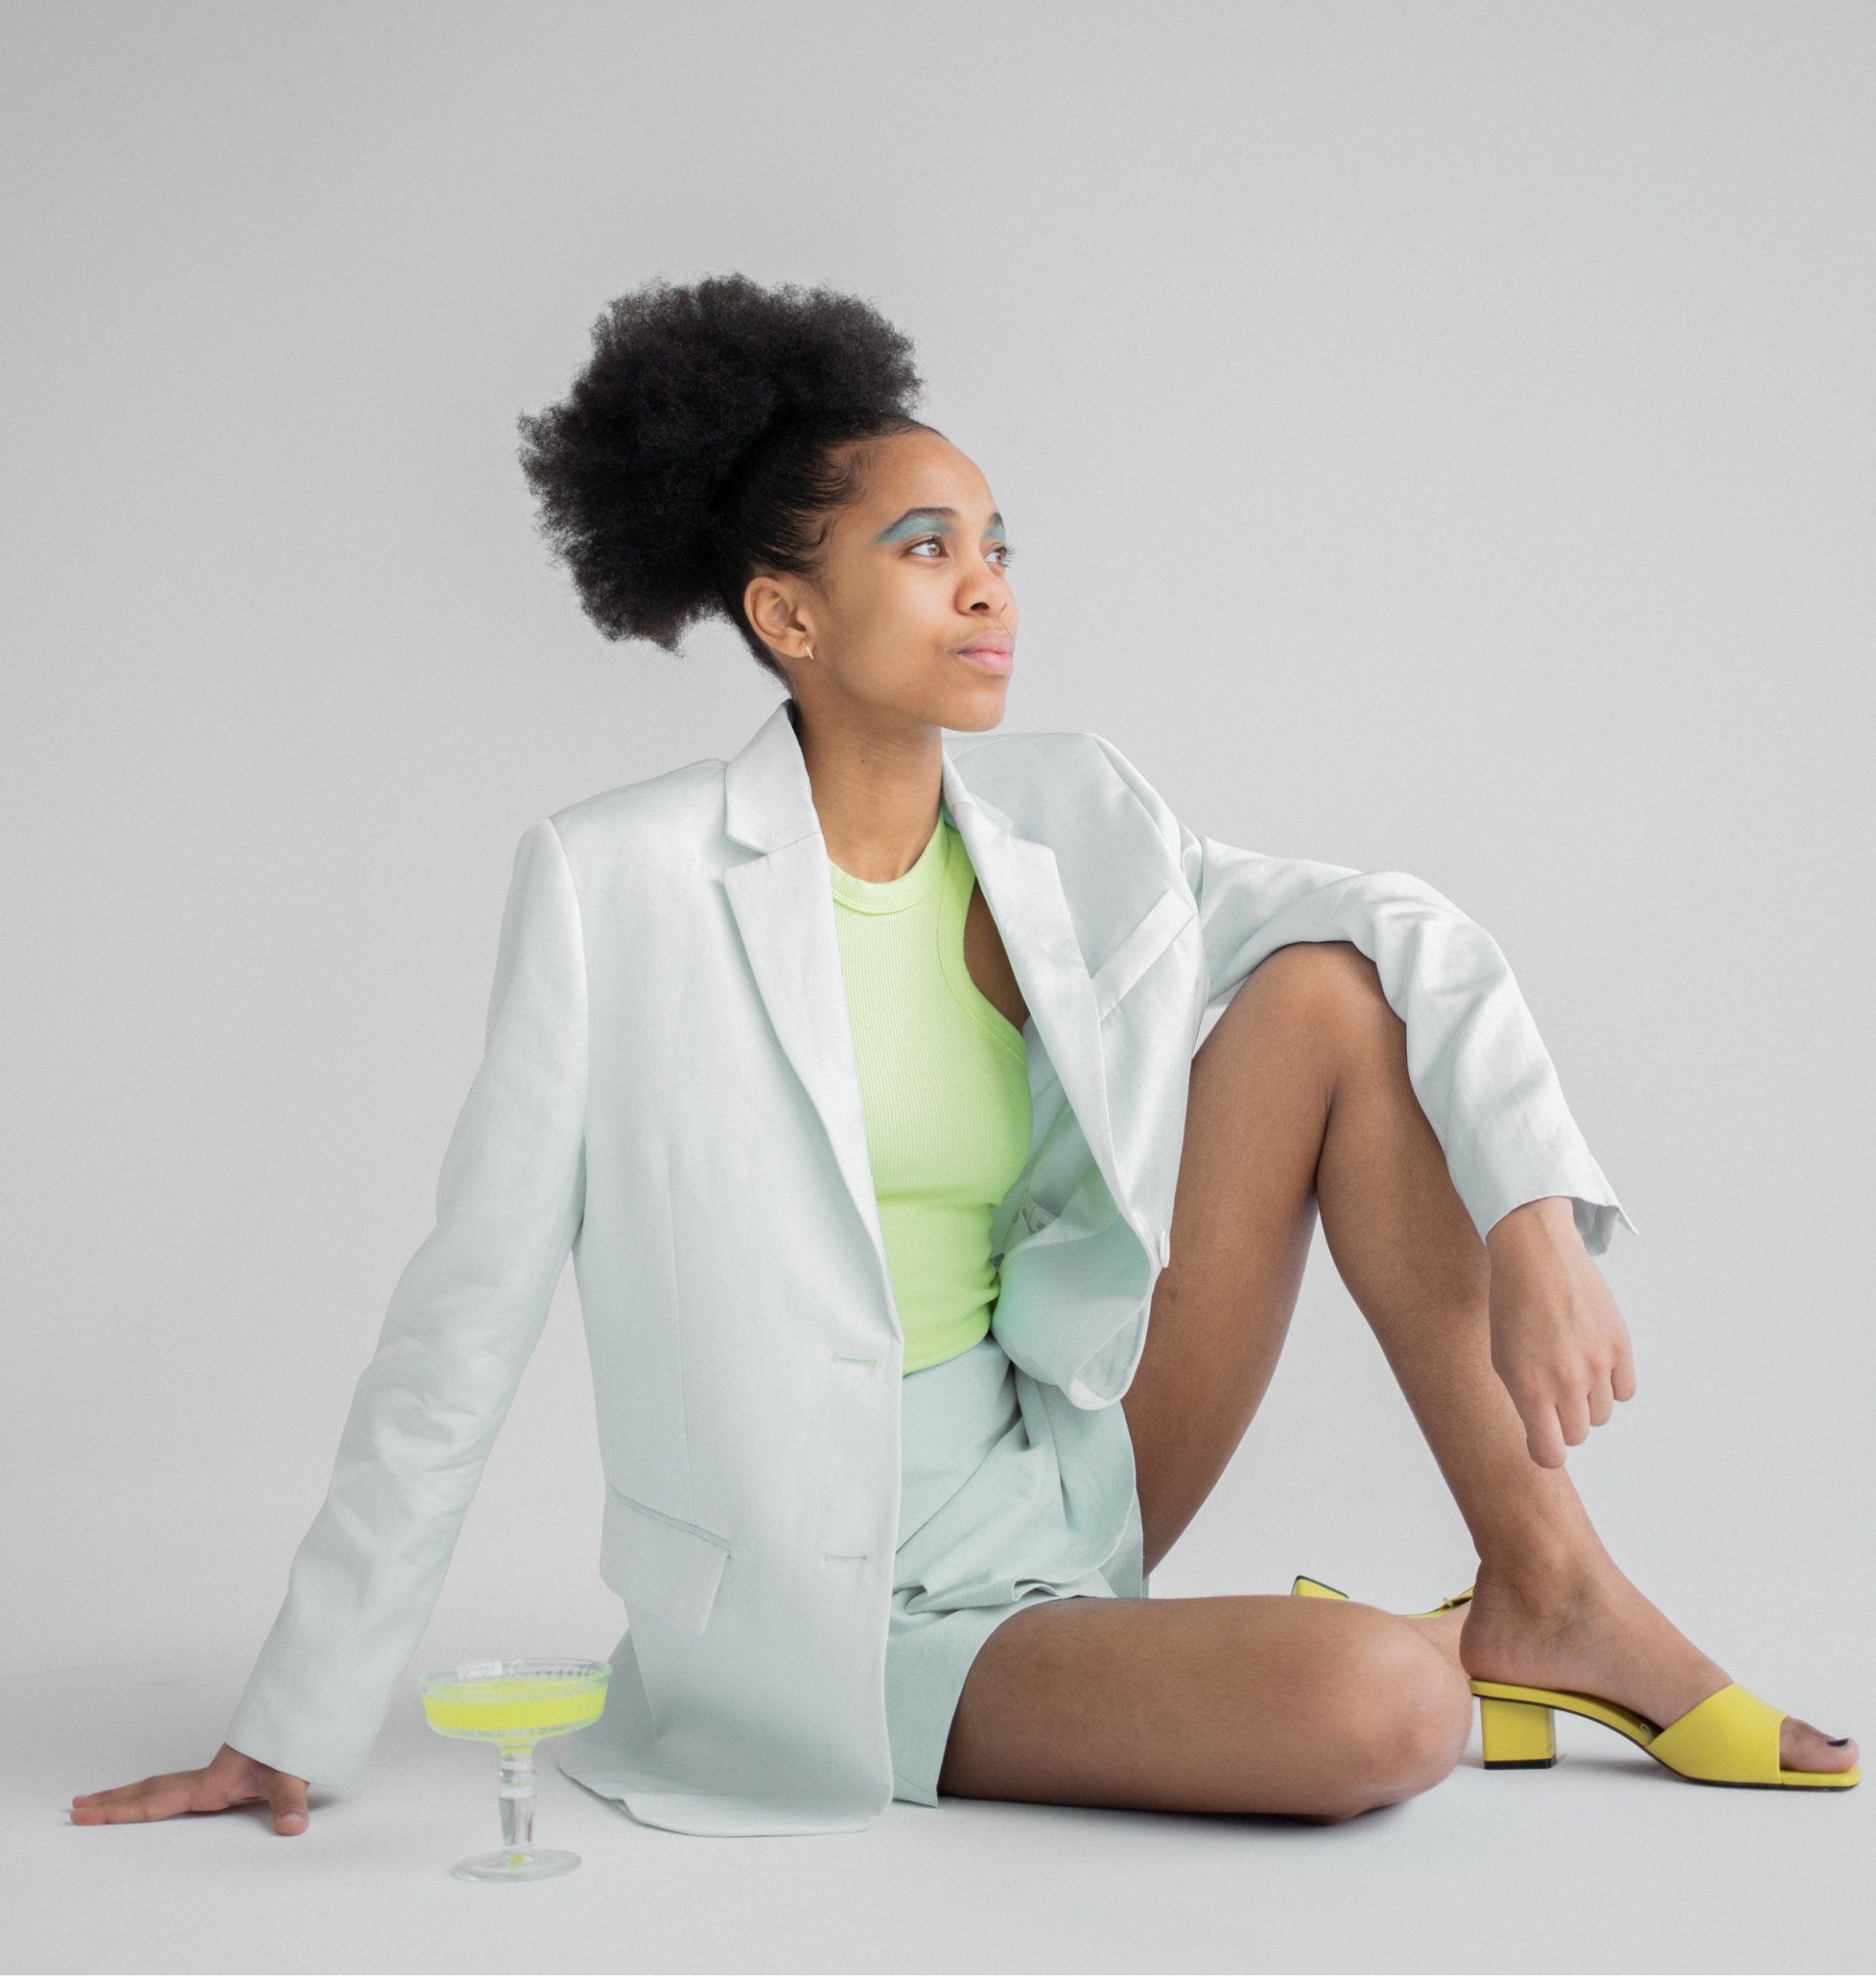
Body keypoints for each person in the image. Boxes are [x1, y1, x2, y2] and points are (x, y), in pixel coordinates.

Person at [72, 276, 1856, 1839]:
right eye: (926, 549)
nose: (988, 588)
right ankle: (1397, 1651)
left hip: (1072, 1474)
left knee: (1321, 989)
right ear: (789, 615)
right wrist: (290, 1714)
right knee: (1378, 1714)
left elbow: (1400, 921)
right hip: (847, 1607)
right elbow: (462, 1313)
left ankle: (1550, 1586)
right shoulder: (616, 883)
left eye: (998, 545)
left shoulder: (1070, 819)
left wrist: (1534, 1206)